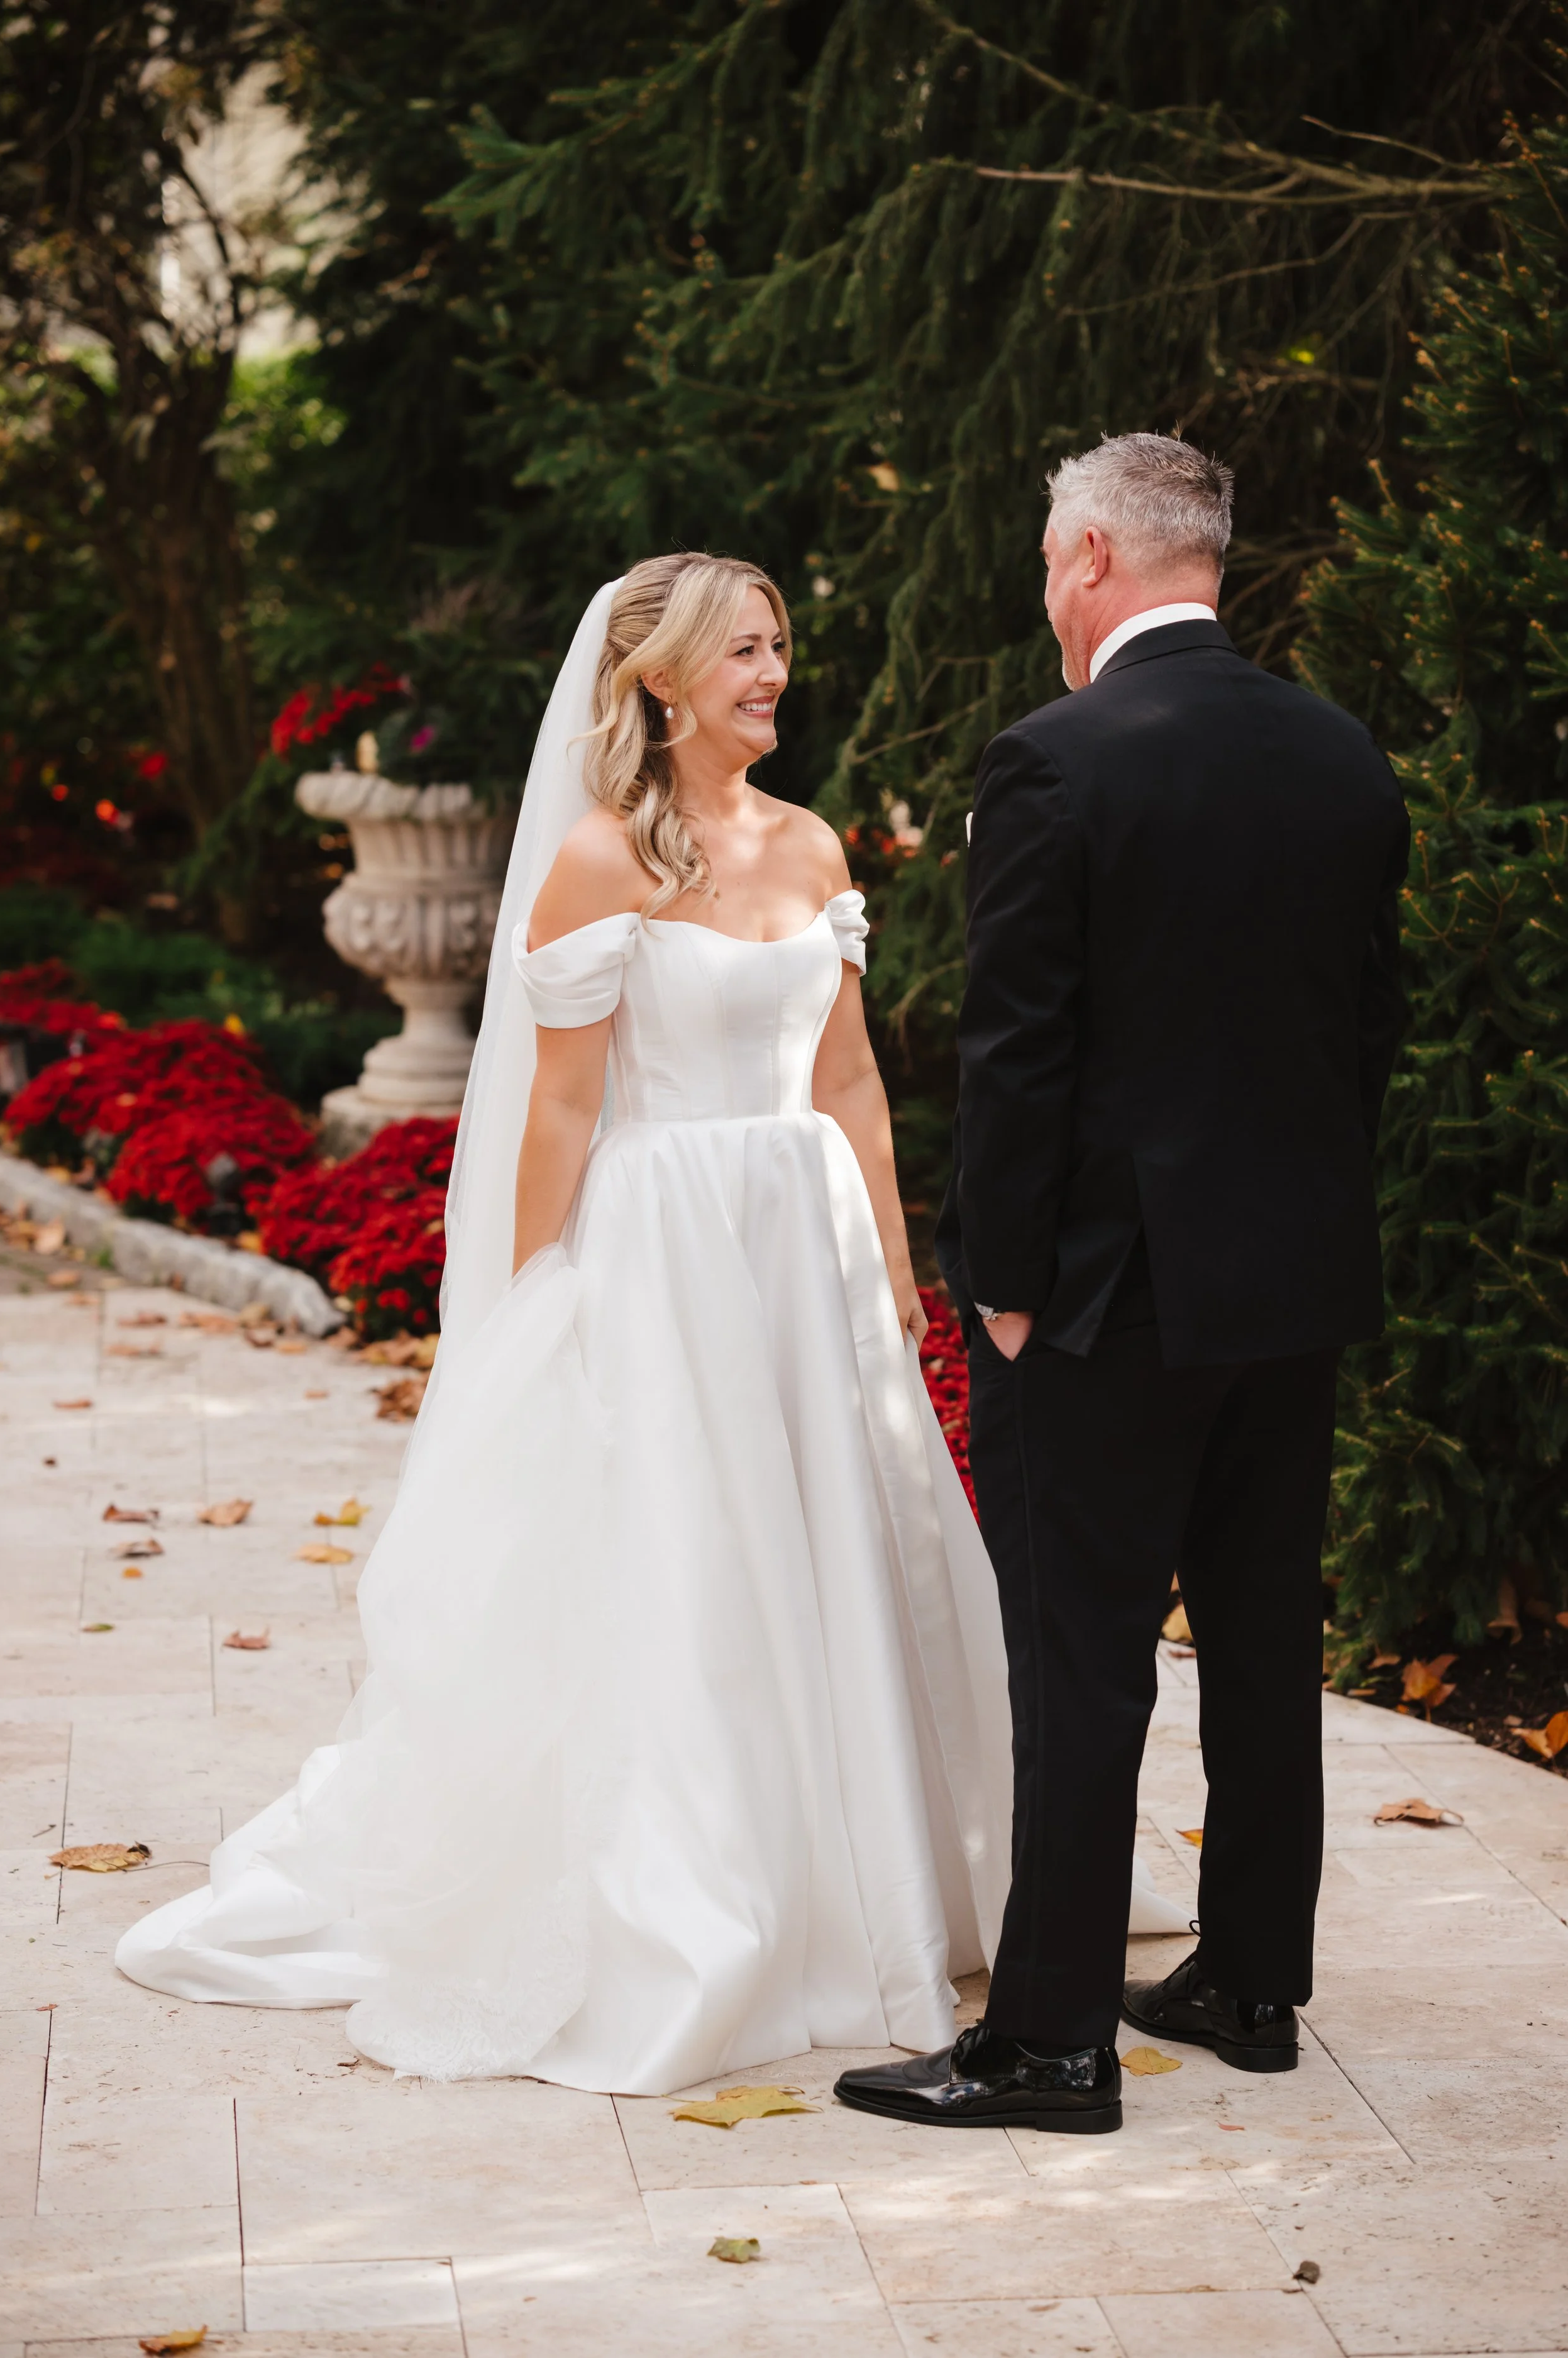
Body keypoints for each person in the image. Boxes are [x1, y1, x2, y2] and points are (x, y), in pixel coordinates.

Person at [115, 552, 1188, 2098]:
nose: (773, 672)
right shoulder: (601, 861)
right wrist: (521, 1296)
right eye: (743, 651)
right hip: (666, 1248)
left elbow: (847, 1080)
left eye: (779, 647)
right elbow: (557, 1108)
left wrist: (890, 1266)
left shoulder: (815, 847)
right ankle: (719, 1898)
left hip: (801, 1241)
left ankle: (890, 1857)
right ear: (662, 681)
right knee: (692, 1561)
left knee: (845, 1546)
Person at [834, 435, 1408, 2134]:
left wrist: (998, 1281)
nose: (1040, 582)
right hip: (1288, 1280)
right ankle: (1247, 1978)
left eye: (1041, 555)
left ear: (1089, 558)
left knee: (1076, 1656)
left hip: (1097, 1298)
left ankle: (1049, 2038)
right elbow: (1362, 1031)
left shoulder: (1056, 758)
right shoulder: (1341, 754)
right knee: (1255, 1635)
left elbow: (1019, 1054)